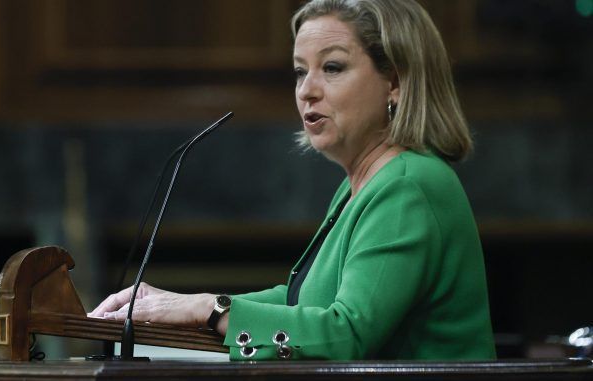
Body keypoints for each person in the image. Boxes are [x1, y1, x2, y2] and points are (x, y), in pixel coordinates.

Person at [89, 0, 496, 361]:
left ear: (396, 82)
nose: (307, 91)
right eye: (300, 72)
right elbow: (302, 301)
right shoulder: (363, 182)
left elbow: (346, 333)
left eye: (332, 68)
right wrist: (182, 305)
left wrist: (211, 310)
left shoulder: (408, 186)